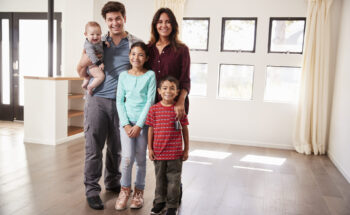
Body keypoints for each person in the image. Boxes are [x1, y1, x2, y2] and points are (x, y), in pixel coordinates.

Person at [76, 1, 141, 210]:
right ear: (106, 22)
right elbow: (80, 67)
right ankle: (92, 190)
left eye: (118, 18)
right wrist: (85, 75)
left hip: (122, 105)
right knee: (94, 148)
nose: (114, 23)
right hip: (97, 102)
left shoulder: (134, 44)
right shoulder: (96, 42)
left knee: (117, 148)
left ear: (124, 18)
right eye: (110, 20)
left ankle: (113, 182)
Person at [115, 42, 156, 210]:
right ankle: (124, 190)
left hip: (143, 125)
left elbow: (150, 101)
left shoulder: (150, 75)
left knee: (140, 160)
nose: (136, 57)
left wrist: (139, 125)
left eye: (140, 55)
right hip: (126, 124)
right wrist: (125, 124)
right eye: (133, 54)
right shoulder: (123, 76)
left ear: (146, 58)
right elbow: (119, 101)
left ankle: (138, 192)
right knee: (126, 159)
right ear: (129, 55)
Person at [146, 76, 189, 215]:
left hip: (175, 154)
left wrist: (186, 149)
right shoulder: (153, 110)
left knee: (174, 181)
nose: (168, 91)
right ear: (159, 91)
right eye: (165, 88)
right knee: (160, 180)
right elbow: (150, 129)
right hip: (159, 153)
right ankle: (159, 202)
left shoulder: (179, 110)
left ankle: (172, 206)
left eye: (172, 88)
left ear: (177, 92)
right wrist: (150, 149)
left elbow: (185, 130)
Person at [148, 8, 191, 120]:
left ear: (173, 25)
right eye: (160, 22)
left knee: (172, 136)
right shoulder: (148, 49)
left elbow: (185, 80)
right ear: (155, 25)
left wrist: (180, 102)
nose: (164, 25)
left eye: (168, 22)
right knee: (153, 137)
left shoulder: (182, 50)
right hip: (152, 104)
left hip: (174, 104)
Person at [81, 21, 105, 95]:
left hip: (90, 67)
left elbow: (100, 43)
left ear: (101, 34)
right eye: (92, 34)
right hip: (93, 65)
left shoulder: (97, 41)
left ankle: (85, 84)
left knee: (89, 76)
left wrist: (104, 43)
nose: (95, 36)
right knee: (100, 76)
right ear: (86, 34)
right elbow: (91, 55)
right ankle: (90, 87)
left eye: (98, 34)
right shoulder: (88, 46)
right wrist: (99, 63)